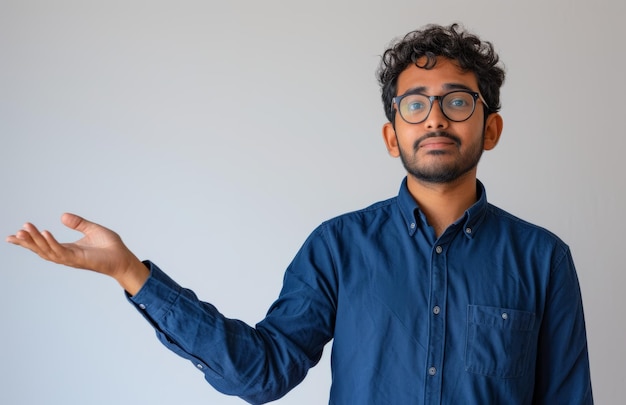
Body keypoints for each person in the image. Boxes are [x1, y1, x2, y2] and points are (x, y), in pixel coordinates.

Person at [6, 23, 593, 404]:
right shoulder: (339, 247)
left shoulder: (543, 259)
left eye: (456, 101)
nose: (435, 118)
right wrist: (132, 273)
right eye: (416, 104)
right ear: (393, 136)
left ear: (489, 128)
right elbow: (261, 372)